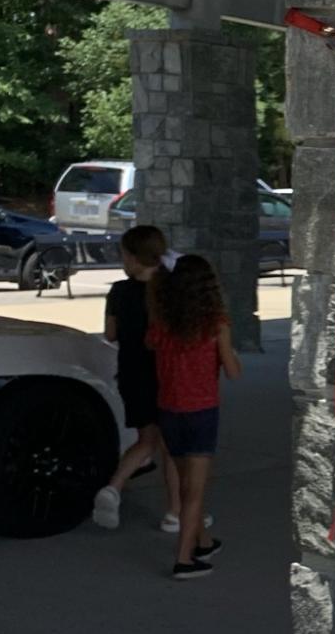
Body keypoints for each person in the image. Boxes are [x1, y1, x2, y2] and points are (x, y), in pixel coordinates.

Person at [148, 253, 242, 579]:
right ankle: (184, 559)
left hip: (169, 410)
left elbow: (152, 346)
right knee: (195, 490)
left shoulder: (161, 325)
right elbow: (232, 371)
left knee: (186, 482)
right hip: (202, 411)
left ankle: (203, 541)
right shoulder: (216, 325)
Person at [92, 226, 181, 532]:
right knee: (170, 446)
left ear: (131, 256)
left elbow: (111, 333)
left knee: (146, 440)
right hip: (166, 374)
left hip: (131, 373)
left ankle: (113, 488)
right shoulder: (170, 290)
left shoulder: (119, 291)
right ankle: (175, 513)